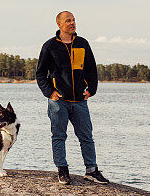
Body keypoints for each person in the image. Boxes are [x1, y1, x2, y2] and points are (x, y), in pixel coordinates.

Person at [36, 11, 109, 185]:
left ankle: (91, 170)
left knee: (86, 136)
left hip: (80, 101)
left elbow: (91, 69)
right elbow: (40, 74)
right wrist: (50, 92)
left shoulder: (83, 44)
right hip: (58, 101)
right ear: (59, 24)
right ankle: (62, 170)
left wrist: (92, 89)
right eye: (68, 20)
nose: (72, 23)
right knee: (59, 136)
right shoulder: (50, 46)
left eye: (74, 20)